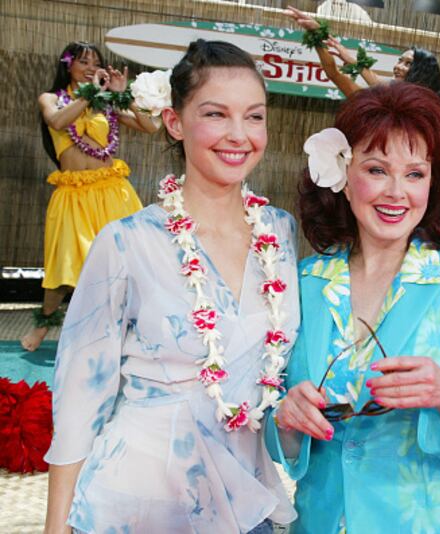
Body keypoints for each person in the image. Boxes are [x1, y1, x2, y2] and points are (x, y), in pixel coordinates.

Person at [43, 40, 297, 534]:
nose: (239, 135)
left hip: (246, 505)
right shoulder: (127, 241)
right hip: (140, 505)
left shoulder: (281, 232)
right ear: (175, 122)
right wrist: (56, 528)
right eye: (216, 114)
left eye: (254, 116)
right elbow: (78, 399)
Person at [266, 81, 440, 533]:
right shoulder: (301, 283)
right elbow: (279, 436)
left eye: (415, 174)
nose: (397, 192)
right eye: (377, 170)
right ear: (344, 176)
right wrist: (285, 420)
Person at [21, 42, 160, 352]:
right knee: (64, 264)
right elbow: (58, 122)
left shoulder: (106, 103)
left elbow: (150, 127)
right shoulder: (51, 99)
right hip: (73, 194)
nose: (90, 67)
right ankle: (42, 327)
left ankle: (129, 332)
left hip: (111, 191)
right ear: (67, 65)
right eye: (83, 61)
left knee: (125, 261)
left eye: (95, 63)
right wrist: (90, 94)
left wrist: (124, 96)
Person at [285, 6, 440, 100]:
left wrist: (355, 63)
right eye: (400, 60)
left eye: (408, 64)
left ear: (422, 73)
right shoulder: (374, 101)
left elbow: (382, 86)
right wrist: (317, 35)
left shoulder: (424, 108)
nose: (398, 66)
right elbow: (334, 73)